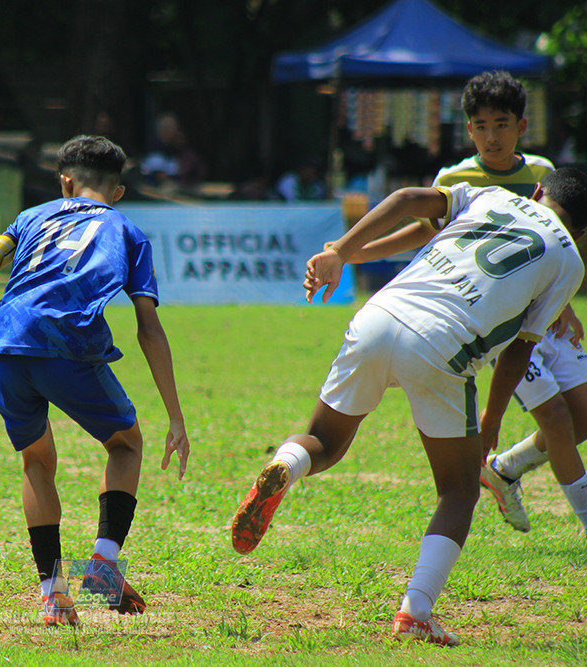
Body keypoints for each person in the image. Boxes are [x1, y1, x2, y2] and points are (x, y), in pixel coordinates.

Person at [230, 167, 587, 647]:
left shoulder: (492, 195)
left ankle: (284, 465)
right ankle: (415, 611)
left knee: (325, 442)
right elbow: (521, 348)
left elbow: (406, 199)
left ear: (541, 191)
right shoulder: (569, 259)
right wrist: (492, 418)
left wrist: (339, 250)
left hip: (380, 313)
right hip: (443, 342)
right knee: (459, 490)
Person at [336, 70, 587, 535]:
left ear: (522, 127)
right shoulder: (456, 177)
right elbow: (426, 233)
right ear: (468, 129)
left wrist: (564, 304)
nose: (492, 137)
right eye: (482, 126)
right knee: (553, 416)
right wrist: (353, 251)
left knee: (582, 418)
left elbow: (557, 252)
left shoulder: (542, 173)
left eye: (502, 124)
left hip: (539, 314)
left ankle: (505, 468)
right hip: (488, 320)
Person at [0, 135, 191, 627]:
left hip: (7, 346)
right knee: (126, 444)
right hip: (67, 345)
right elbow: (148, 327)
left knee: (37, 460)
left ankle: (53, 595)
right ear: (119, 191)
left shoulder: (29, 218)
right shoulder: (128, 230)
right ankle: (103, 568)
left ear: (65, 183)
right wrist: (175, 415)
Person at [140, 112, 207, 193]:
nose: (177, 132)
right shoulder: (155, 150)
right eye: (175, 129)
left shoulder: (173, 150)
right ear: (166, 130)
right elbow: (160, 177)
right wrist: (179, 186)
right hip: (158, 197)